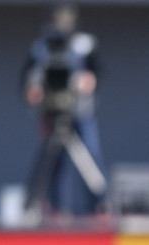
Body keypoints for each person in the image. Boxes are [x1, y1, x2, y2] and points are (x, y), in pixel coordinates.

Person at [22, 4, 107, 217]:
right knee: (55, 161)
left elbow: (97, 71)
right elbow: (27, 77)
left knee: (89, 154)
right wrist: (32, 89)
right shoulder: (41, 47)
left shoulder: (84, 44)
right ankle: (58, 208)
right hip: (52, 113)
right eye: (58, 19)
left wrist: (88, 79)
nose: (62, 24)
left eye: (66, 19)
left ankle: (99, 204)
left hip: (80, 112)